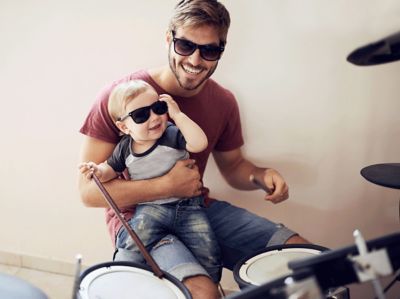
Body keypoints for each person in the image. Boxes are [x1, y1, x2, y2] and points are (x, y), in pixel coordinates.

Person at [78, 1, 309, 298]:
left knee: (302, 257)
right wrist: (164, 186)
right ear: (168, 39)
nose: (196, 60)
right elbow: (88, 192)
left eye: (209, 50)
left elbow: (234, 166)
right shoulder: (120, 97)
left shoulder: (224, 102)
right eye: (185, 45)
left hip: (195, 208)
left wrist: (261, 176)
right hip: (139, 220)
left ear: (222, 50)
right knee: (203, 293)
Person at [79, 79, 221, 283]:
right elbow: (110, 170)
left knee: (208, 249)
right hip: (151, 209)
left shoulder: (171, 133)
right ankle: (119, 279)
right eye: (141, 115)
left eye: (158, 108)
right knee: (133, 241)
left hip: (188, 208)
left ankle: (211, 286)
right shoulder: (125, 148)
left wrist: (178, 115)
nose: (154, 117)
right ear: (124, 127)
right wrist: (97, 170)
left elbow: (199, 143)